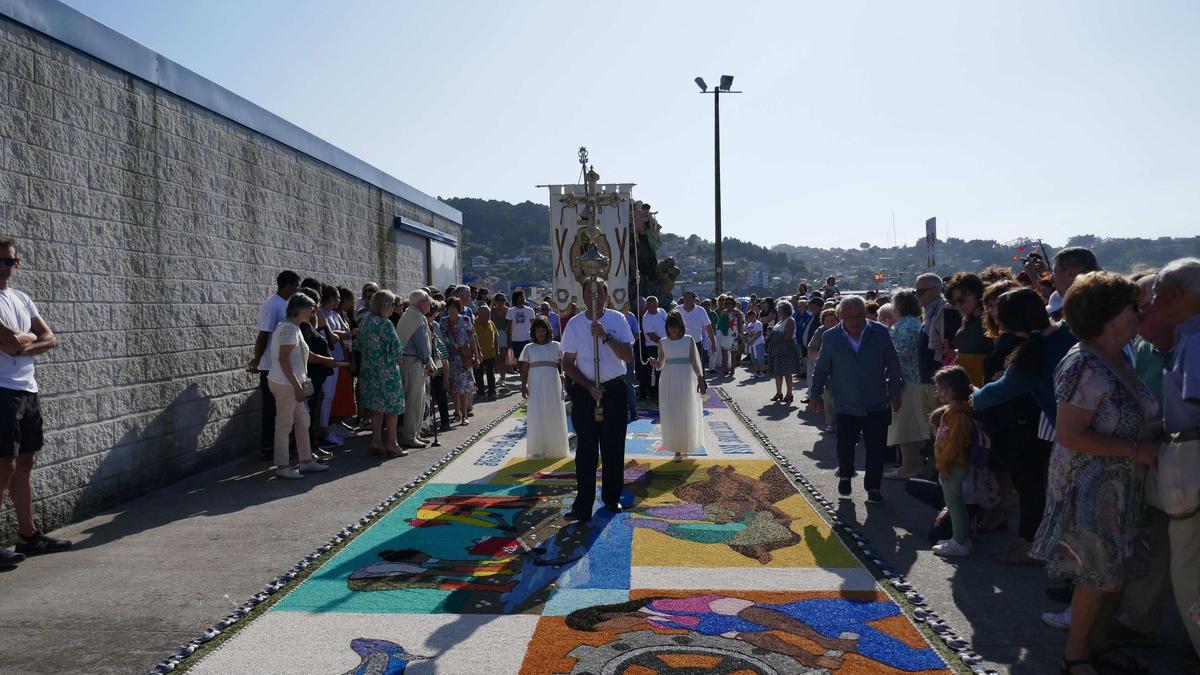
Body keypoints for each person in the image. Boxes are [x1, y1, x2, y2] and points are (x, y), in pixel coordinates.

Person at [1029, 272, 1159, 675]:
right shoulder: (1083, 362)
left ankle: (1098, 645)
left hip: (1122, 483)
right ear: (1108, 314)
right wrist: (1139, 449)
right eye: (1132, 307)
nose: (1140, 313)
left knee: (1114, 571)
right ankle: (1077, 656)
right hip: (1092, 487)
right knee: (1096, 572)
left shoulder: (1117, 356)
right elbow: (1070, 434)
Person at [0, 237, 67, 566]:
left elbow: (50, 337)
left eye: (8, 261)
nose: (3, 266)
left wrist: (23, 341)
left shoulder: (22, 299)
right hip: (1, 390)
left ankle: (28, 535)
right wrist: (25, 340)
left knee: (25, 462)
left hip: (27, 389)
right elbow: (11, 343)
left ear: (17, 263)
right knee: (4, 464)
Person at [1149, 257, 1200, 654]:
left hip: (1191, 460)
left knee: (1189, 567)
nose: (1149, 304)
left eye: (1155, 296)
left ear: (1176, 295)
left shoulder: (1195, 340)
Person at [809, 296, 903, 504]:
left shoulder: (879, 332)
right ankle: (845, 474)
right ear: (840, 316)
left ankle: (873, 487)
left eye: (859, 315)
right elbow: (822, 368)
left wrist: (894, 391)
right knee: (845, 444)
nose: (856, 321)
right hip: (845, 401)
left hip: (876, 400)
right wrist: (815, 395)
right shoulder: (831, 337)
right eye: (850, 317)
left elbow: (893, 362)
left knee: (876, 447)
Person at [560, 279, 634, 522]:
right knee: (586, 449)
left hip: (613, 390)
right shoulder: (574, 324)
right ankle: (583, 504)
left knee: (613, 446)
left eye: (599, 292)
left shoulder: (617, 320)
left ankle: (612, 497)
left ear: (606, 295)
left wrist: (605, 336)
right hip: (585, 391)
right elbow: (567, 364)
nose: (595, 297)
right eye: (589, 293)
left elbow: (628, 355)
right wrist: (589, 386)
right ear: (583, 297)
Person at [267, 293, 339, 478]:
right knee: (284, 424)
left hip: (292, 383)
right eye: (310, 307)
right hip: (286, 384)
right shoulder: (288, 329)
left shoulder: (295, 327)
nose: (314, 311)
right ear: (299, 308)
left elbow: (304, 355)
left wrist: (325, 360)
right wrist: (296, 387)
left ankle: (306, 461)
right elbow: (284, 360)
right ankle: (283, 467)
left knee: (302, 421)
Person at [248, 270, 301, 459]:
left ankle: (283, 447)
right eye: (296, 285)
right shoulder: (272, 305)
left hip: (283, 365)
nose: (297, 289)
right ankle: (268, 447)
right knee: (271, 409)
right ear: (287, 285)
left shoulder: (287, 304)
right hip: (270, 365)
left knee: (285, 409)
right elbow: (263, 335)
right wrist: (257, 360)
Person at [930, 366, 975, 557]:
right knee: (955, 503)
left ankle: (958, 541)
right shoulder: (952, 412)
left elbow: (954, 444)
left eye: (943, 389)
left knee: (954, 505)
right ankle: (961, 537)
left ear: (955, 389)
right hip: (953, 465)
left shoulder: (958, 416)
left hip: (954, 465)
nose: (939, 392)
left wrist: (943, 465)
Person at [884, 289, 930, 480]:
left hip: (908, 382)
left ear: (900, 306)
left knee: (905, 426)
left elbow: (900, 351)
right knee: (915, 427)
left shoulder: (906, 326)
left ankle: (908, 468)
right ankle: (914, 466)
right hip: (914, 380)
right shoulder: (914, 323)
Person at [650, 311, 707, 460]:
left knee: (686, 410)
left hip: (686, 378)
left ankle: (686, 443)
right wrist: (654, 363)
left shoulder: (689, 340)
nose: (672, 330)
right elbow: (660, 364)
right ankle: (677, 449)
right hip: (668, 379)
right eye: (670, 327)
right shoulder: (662, 342)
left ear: (680, 326)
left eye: (675, 326)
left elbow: (695, 361)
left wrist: (700, 378)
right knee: (672, 412)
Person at [359, 289, 408, 457]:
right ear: (385, 305)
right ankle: (392, 443)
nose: (393, 308)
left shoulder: (365, 321)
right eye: (392, 304)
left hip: (368, 369)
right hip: (386, 371)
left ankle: (376, 440)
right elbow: (396, 348)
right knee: (392, 408)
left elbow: (358, 345)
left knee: (376, 407)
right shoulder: (384, 323)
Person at [519, 316, 568, 459]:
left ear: (548, 331)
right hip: (534, 383)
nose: (540, 333)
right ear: (533, 332)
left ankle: (555, 448)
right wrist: (523, 385)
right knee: (537, 412)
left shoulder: (556, 346)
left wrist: (563, 373)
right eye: (537, 330)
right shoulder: (528, 348)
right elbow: (524, 368)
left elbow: (563, 363)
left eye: (543, 330)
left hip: (552, 381)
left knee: (553, 411)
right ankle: (537, 448)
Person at [915, 273, 961, 417]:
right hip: (927, 378)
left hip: (941, 379)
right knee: (933, 427)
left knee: (942, 423)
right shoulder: (929, 314)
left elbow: (952, 343)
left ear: (936, 291)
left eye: (921, 292)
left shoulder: (946, 311)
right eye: (916, 292)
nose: (917, 296)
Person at [397, 290, 437, 449]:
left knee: (416, 399)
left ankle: (414, 433)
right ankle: (410, 436)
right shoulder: (417, 318)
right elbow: (422, 344)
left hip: (410, 361)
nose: (430, 303)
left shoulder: (410, 314)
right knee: (414, 400)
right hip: (413, 362)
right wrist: (429, 361)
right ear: (421, 303)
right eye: (428, 300)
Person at [944, 273, 993, 386]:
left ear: (976, 293)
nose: (958, 305)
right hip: (968, 383)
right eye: (953, 302)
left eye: (961, 300)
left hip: (985, 383)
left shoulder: (992, 319)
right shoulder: (967, 320)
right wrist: (950, 352)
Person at [440, 298, 477, 426]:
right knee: (453, 387)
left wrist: (477, 354)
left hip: (462, 358)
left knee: (463, 387)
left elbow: (472, 338)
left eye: (454, 307)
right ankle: (456, 412)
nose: (451, 310)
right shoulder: (443, 322)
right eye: (449, 307)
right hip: (449, 358)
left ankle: (464, 414)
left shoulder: (466, 320)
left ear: (458, 308)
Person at [806, 309, 839, 433]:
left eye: (833, 320)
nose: (831, 323)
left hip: (841, 369)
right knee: (828, 397)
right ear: (823, 322)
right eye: (828, 321)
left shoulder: (843, 331)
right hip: (826, 369)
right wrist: (822, 359)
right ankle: (830, 423)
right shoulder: (820, 332)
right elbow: (811, 349)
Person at [766, 300, 800, 404]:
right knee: (778, 373)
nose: (777, 310)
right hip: (778, 349)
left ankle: (789, 394)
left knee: (787, 373)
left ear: (784, 310)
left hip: (786, 349)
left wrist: (774, 334)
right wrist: (772, 332)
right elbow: (780, 334)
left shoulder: (790, 320)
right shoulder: (780, 320)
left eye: (779, 308)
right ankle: (779, 393)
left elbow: (787, 336)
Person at [677, 291, 715, 372]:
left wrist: (713, 343)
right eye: (685, 298)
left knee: (699, 366)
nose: (686, 300)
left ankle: (702, 384)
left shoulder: (700, 310)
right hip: (681, 343)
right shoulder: (677, 310)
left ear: (694, 300)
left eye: (689, 298)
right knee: (684, 367)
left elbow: (708, 327)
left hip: (696, 343)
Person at [638, 296, 666, 399]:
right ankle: (651, 394)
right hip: (653, 347)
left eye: (654, 305)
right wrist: (663, 343)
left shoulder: (662, 312)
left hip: (664, 345)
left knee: (661, 371)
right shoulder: (646, 318)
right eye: (649, 306)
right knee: (652, 372)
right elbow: (651, 335)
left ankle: (660, 392)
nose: (652, 308)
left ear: (657, 304)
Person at [474, 305, 499, 400]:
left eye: (489, 314)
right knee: (478, 374)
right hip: (478, 354)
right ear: (479, 315)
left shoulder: (491, 323)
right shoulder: (474, 324)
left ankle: (492, 391)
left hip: (490, 353)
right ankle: (481, 391)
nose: (489, 316)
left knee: (490, 373)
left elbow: (496, 336)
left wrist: (497, 350)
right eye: (486, 314)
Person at [506, 290, 535, 363]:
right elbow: (509, 328)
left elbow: (534, 326)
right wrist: (509, 342)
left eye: (523, 296)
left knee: (527, 361)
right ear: (516, 298)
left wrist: (534, 338)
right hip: (515, 340)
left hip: (527, 339)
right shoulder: (510, 311)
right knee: (518, 361)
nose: (523, 298)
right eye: (521, 297)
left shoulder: (530, 310)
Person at [745, 309, 766, 377]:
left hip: (759, 343)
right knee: (753, 358)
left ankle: (761, 372)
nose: (750, 318)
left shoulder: (758, 323)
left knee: (759, 358)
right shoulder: (749, 325)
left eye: (752, 316)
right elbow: (748, 334)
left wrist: (752, 340)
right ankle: (756, 371)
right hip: (752, 344)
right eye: (749, 317)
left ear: (755, 316)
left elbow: (759, 333)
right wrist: (748, 341)